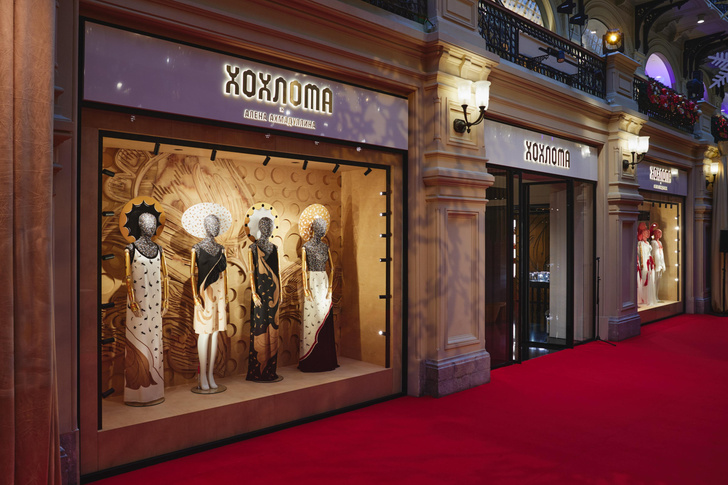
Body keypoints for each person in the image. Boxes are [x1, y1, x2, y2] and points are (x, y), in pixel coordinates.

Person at [123, 211, 169, 405]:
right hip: (138, 304)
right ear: (140, 226)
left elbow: (165, 276)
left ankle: (154, 391)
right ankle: (138, 392)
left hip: (156, 303)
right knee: (138, 343)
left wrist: (166, 300)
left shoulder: (159, 249)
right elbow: (127, 277)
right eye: (146, 223)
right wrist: (133, 301)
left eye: (152, 223)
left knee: (155, 341)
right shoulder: (130, 249)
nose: (150, 227)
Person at [190, 214, 228, 391]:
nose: (215, 227)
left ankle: (211, 374)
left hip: (219, 293)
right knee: (204, 333)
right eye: (212, 224)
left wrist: (225, 296)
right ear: (205, 227)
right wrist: (194, 297)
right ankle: (202, 375)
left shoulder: (222, 249)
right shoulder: (196, 248)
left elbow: (225, 274)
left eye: (217, 224)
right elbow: (192, 274)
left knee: (215, 334)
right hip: (204, 293)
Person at [300, 216, 338, 372]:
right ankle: (310, 359)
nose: (322, 230)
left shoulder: (325, 247)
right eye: (319, 227)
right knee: (312, 319)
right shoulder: (306, 247)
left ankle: (325, 358)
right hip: (312, 281)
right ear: (314, 229)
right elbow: (303, 268)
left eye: (323, 227)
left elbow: (333, 268)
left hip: (324, 281)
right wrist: (305, 287)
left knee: (324, 316)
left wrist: (330, 288)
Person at [247, 217, 282, 382]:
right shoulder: (253, 248)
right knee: (260, 328)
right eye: (264, 226)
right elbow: (251, 272)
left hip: (274, 294)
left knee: (273, 328)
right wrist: (254, 293)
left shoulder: (275, 248)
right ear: (260, 228)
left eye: (270, 226)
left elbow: (278, 272)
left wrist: (281, 293)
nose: (267, 229)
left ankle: (271, 369)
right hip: (260, 294)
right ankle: (257, 371)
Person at [651, 228, 666, 302]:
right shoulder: (653, 242)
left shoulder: (660, 242)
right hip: (655, 264)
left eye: (660, 232)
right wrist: (653, 263)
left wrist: (663, 264)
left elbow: (661, 254)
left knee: (658, 281)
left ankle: (657, 296)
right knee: (654, 281)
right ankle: (654, 297)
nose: (660, 234)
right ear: (655, 233)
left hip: (660, 263)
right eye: (658, 232)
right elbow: (652, 253)